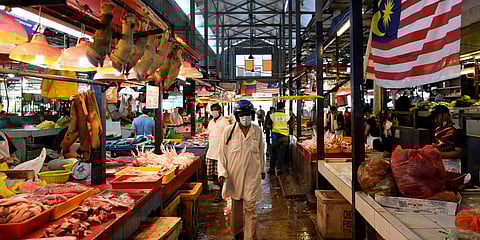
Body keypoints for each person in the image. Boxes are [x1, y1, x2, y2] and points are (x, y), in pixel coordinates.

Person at [218, 99, 265, 240]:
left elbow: (261, 151)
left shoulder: (257, 131)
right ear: (237, 116)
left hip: (252, 174)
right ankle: (237, 234)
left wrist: (262, 170)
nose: (245, 117)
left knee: (250, 206)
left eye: (248, 114)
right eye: (242, 114)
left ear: (252, 115)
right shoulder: (229, 131)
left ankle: (250, 237)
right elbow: (221, 154)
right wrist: (222, 173)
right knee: (236, 208)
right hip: (234, 175)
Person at [206, 104, 230, 202]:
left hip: (220, 153)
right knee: (212, 175)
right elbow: (210, 133)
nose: (214, 112)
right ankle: (218, 190)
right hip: (211, 152)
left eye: (215, 110)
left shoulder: (225, 122)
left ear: (219, 111)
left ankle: (220, 193)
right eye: (212, 110)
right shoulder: (211, 122)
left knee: (221, 174)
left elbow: (228, 137)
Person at [268, 102, 294, 175]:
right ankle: (279, 170)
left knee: (273, 154)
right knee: (281, 154)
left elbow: (268, 125)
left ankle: (272, 169)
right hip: (284, 137)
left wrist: (273, 128)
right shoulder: (287, 116)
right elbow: (292, 125)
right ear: (283, 108)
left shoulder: (272, 116)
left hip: (275, 137)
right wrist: (293, 117)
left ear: (277, 107)